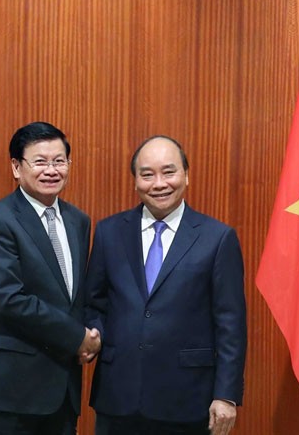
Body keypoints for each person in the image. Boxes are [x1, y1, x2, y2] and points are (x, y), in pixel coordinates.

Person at [84, 135, 247, 435]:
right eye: (147, 174)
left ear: (186, 174)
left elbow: (230, 324)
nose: (159, 183)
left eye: (169, 172)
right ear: (135, 181)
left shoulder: (217, 238)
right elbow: (95, 303)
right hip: (118, 397)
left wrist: (226, 394)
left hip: (187, 400)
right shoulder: (109, 232)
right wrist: (94, 334)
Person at [0, 121, 101, 435]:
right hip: (8, 390)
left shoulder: (79, 220)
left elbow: (76, 297)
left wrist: (94, 332)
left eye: (59, 161)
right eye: (40, 162)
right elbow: (8, 299)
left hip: (62, 389)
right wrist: (77, 337)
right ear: (16, 167)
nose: (51, 170)